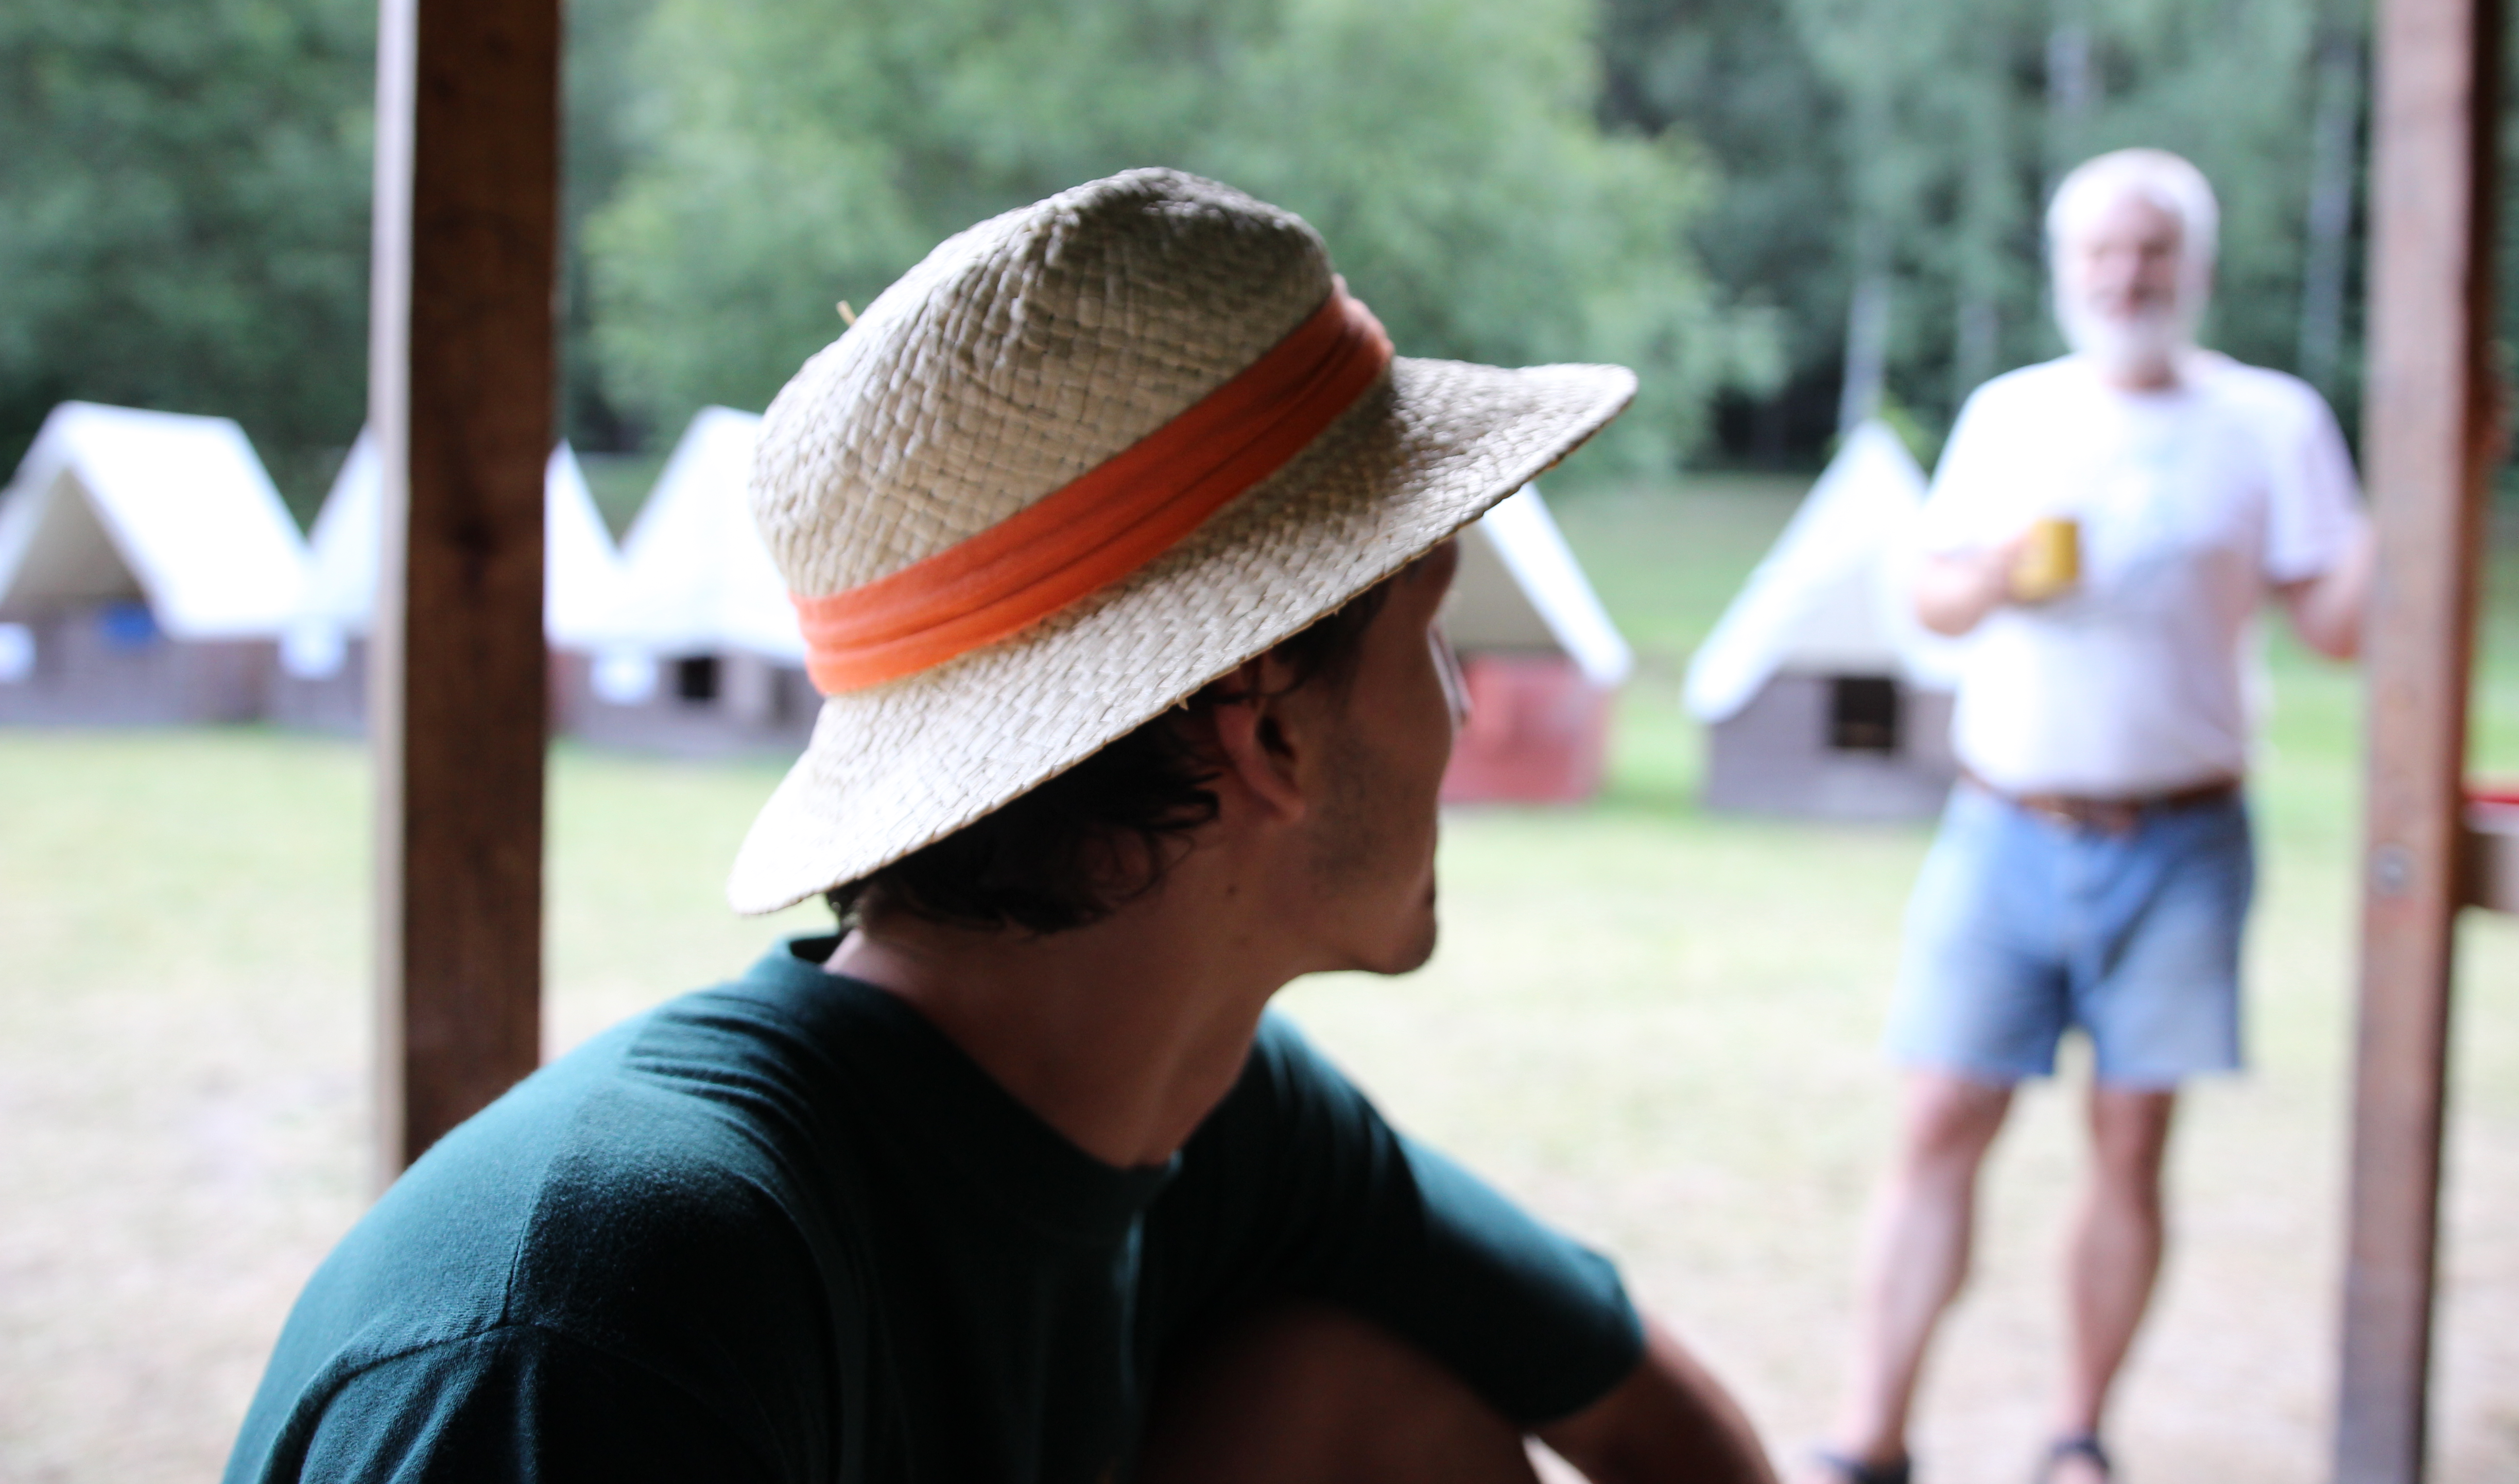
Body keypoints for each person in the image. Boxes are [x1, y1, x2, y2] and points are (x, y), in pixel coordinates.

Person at [225, 169, 1779, 1484]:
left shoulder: (1223, 1119)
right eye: (1433, 634)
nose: (1464, 711)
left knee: (1356, 1399)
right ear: (1274, 731)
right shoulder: (606, 1324)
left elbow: (1664, 1429)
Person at [1801, 149, 2371, 1484]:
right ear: (2066, 272)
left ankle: (2076, 1435)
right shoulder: (2012, 415)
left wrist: (2427, 490)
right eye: (2102, 254)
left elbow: (2339, 627)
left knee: (2132, 1142)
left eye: (2153, 251)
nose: (2127, 277)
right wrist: (1999, 574)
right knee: (1940, 1118)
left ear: (2197, 269)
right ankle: (1870, 1436)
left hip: (2186, 840)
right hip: (2002, 825)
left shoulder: (2272, 421)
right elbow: (1931, 606)